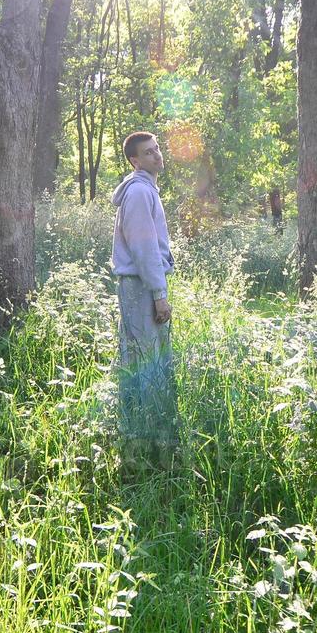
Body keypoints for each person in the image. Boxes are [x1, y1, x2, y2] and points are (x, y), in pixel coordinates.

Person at [111, 131, 179, 455]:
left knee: (146, 357)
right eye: (149, 153)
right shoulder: (139, 193)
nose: (157, 155)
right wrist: (158, 293)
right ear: (135, 160)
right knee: (144, 359)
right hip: (140, 287)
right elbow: (144, 248)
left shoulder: (146, 189)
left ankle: (147, 433)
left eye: (157, 149)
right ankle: (144, 439)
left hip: (143, 286)